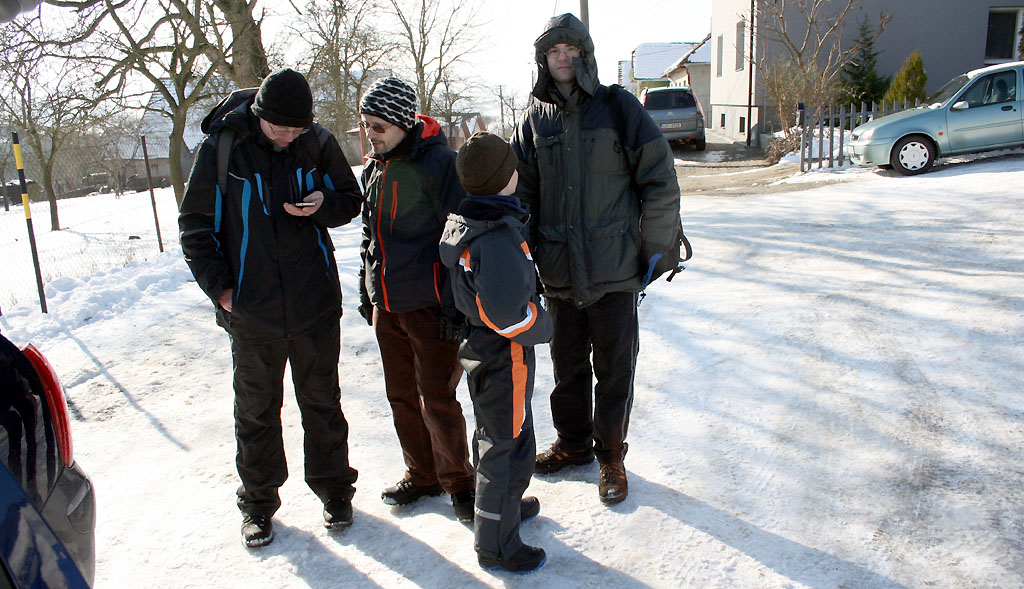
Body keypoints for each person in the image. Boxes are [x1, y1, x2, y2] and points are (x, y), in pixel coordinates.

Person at [178, 68, 364, 547]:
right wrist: (223, 291)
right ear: (260, 115)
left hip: (314, 304)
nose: (288, 137)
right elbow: (195, 227)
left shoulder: (316, 142)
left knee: (322, 403)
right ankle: (258, 504)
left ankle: (335, 491)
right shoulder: (222, 149)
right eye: (280, 128)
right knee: (256, 412)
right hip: (251, 312)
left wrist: (323, 204)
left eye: (296, 129)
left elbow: (350, 200)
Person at [511, 14, 683, 505]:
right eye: (554, 51)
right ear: (544, 59)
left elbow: (659, 180)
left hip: (614, 270)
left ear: (585, 56)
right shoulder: (533, 119)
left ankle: (610, 456)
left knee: (614, 369)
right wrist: (523, 259)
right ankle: (572, 445)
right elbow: (520, 197)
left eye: (571, 50)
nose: (563, 58)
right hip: (559, 269)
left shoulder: (618, 107)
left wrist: (655, 249)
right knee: (566, 367)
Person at [356, 77, 476, 519]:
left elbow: (460, 238)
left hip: (431, 307)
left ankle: (460, 483)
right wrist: (366, 288)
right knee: (401, 395)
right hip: (387, 305)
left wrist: (454, 305)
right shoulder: (375, 167)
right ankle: (422, 474)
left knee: (437, 398)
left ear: (403, 122)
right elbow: (369, 235)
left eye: (379, 125)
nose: (370, 133)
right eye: (366, 124)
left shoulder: (441, 164)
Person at [439, 132, 552, 573]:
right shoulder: (496, 237)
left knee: (505, 433)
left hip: (485, 349)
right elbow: (509, 316)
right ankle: (496, 545)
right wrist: (546, 325)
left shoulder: (473, 221)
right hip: (504, 354)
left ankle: (504, 508)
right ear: (507, 179)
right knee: (504, 445)